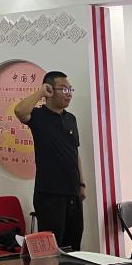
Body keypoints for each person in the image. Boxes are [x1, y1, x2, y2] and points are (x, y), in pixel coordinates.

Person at [14, 71, 86, 250]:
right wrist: (40, 92)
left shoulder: (70, 118)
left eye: (70, 89)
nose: (69, 93)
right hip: (49, 194)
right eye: (64, 89)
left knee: (74, 247)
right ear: (50, 90)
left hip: (73, 192)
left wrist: (82, 184)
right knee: (52, 249)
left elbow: (75, 152)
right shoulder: (38, 116)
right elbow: (20, 111)